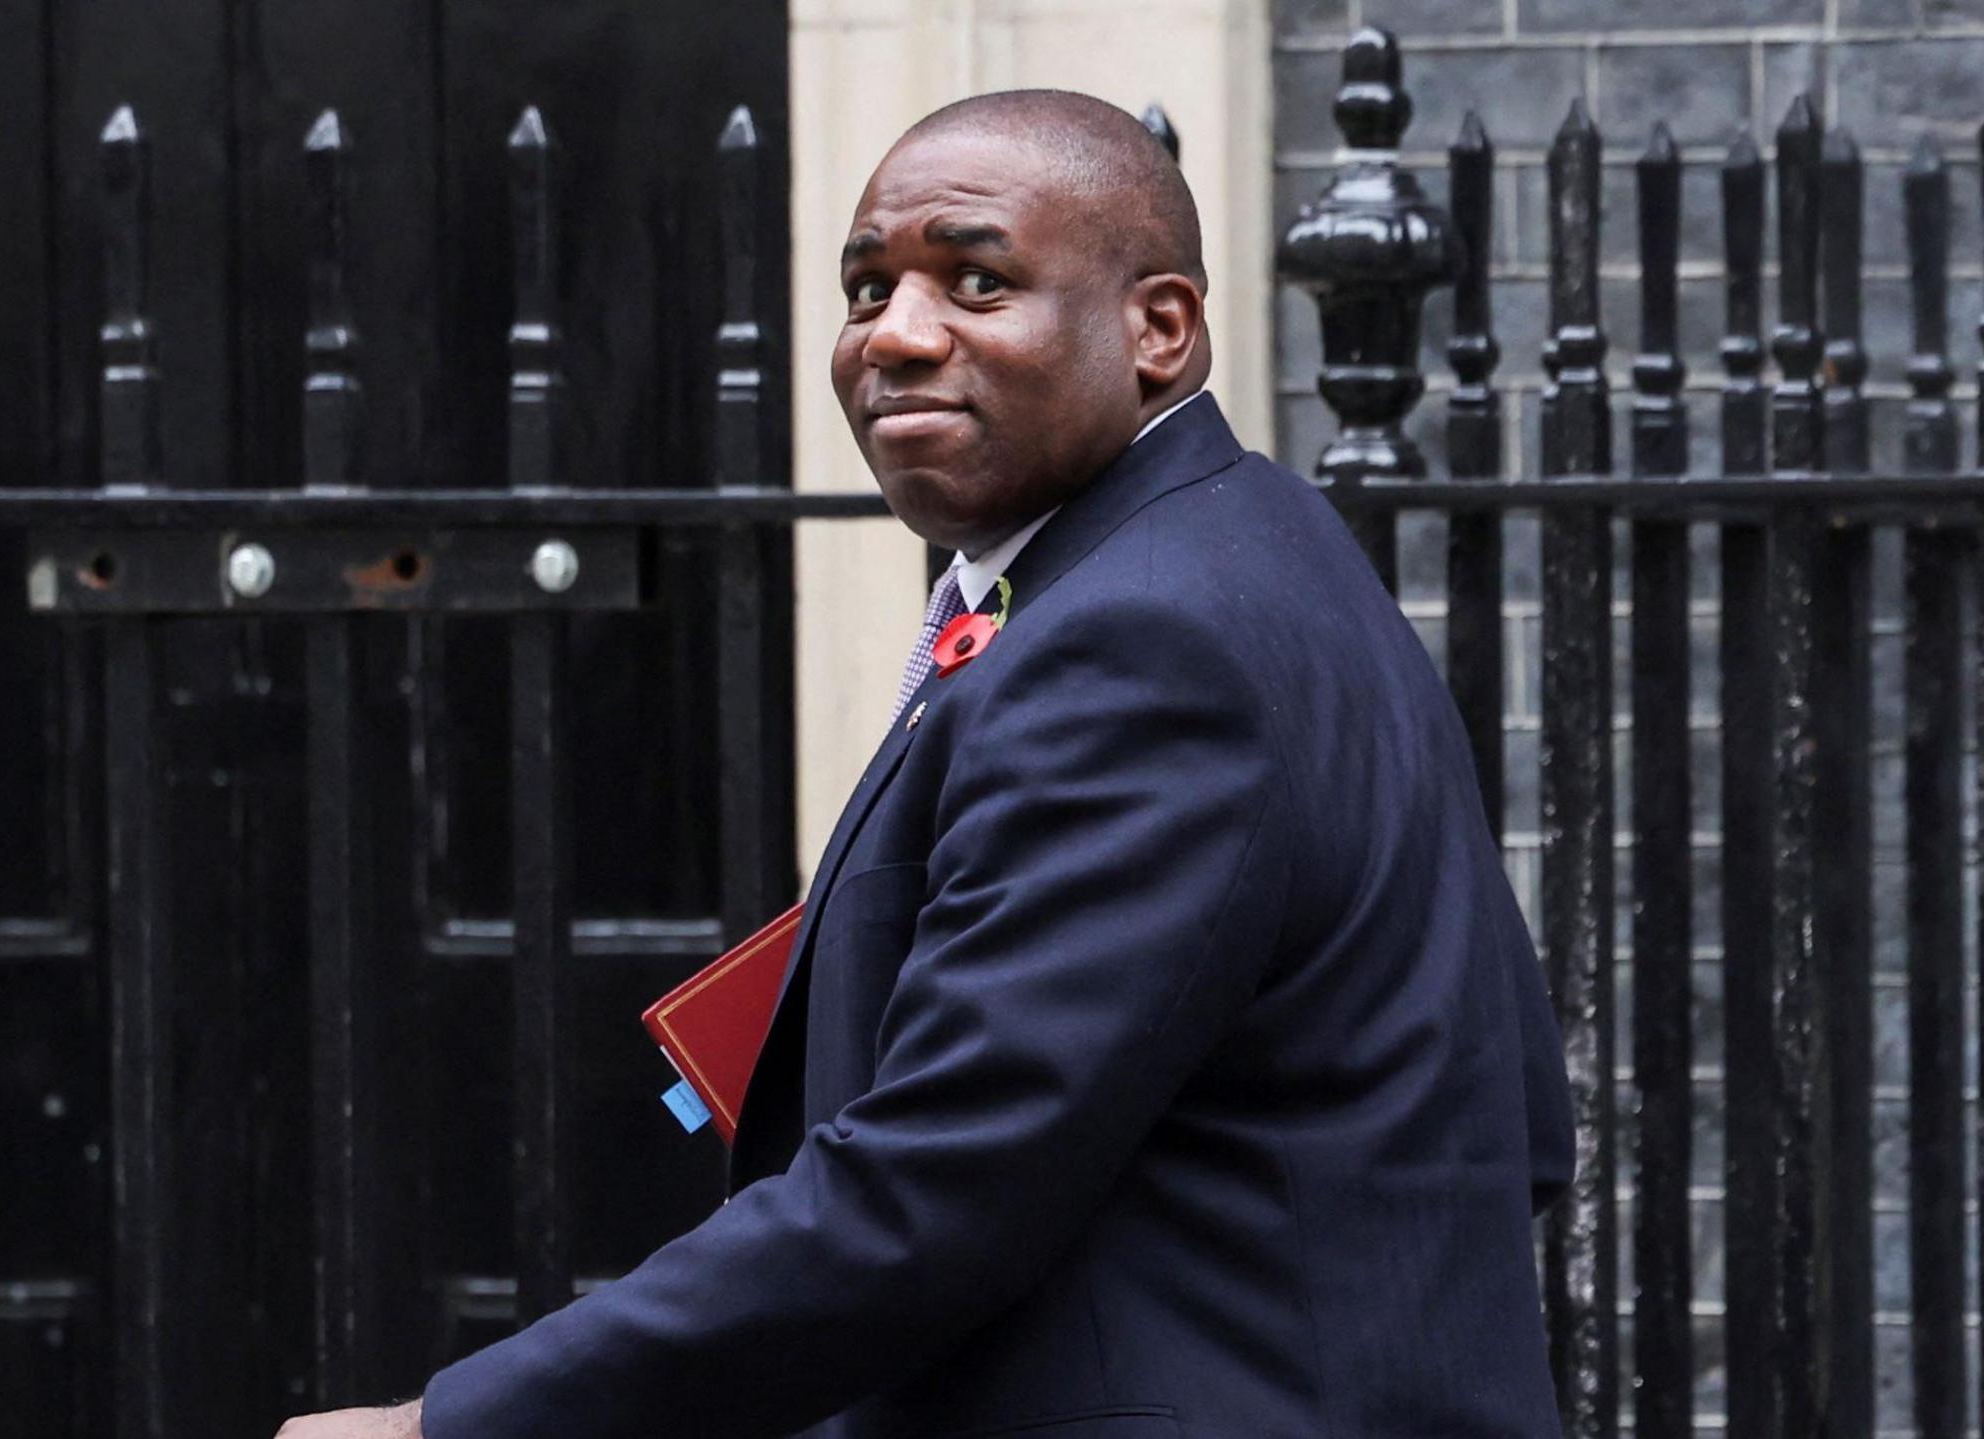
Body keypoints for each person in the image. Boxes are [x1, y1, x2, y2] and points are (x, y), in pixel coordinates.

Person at [276, 88, 1573, 1439]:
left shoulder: (1140, 641)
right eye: (863, 287)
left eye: (977, 278)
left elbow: (939, 1190)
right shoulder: (1240, 553)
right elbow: (1521, 1123)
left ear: (1160, 329)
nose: (894, 335)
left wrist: (453, 1424)